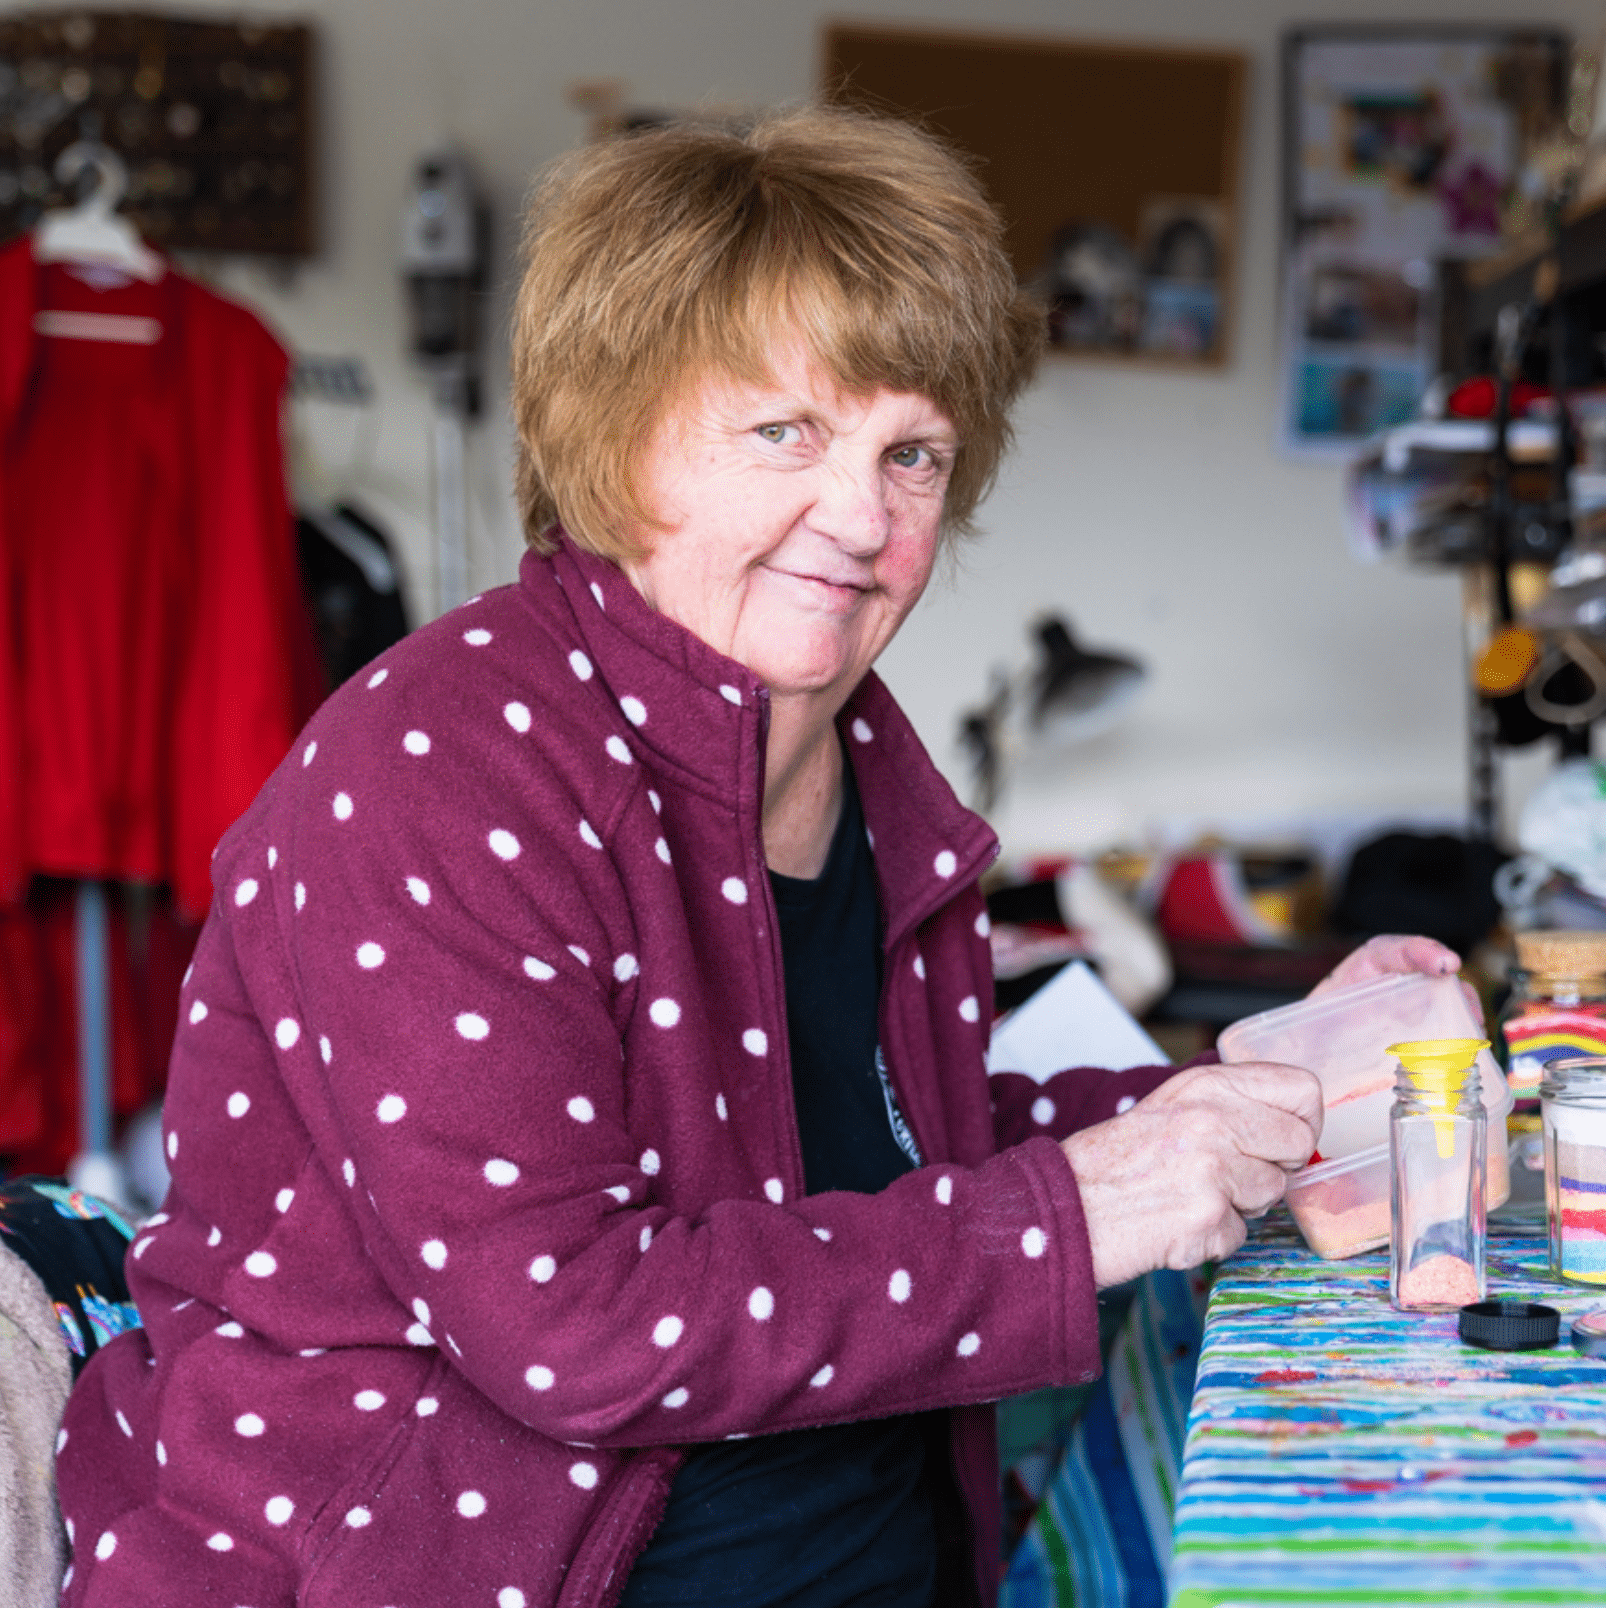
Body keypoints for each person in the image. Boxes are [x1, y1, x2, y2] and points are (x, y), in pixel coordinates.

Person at [55, 106, 1465, 1608]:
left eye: (911, 451)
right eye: (783, 430)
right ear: (617, 433)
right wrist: (1076, 1209)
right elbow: (572, 1319)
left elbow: (897, 1143)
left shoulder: (850, 754)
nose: (859, 518)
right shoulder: (439, 770)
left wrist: (1270, 1077)